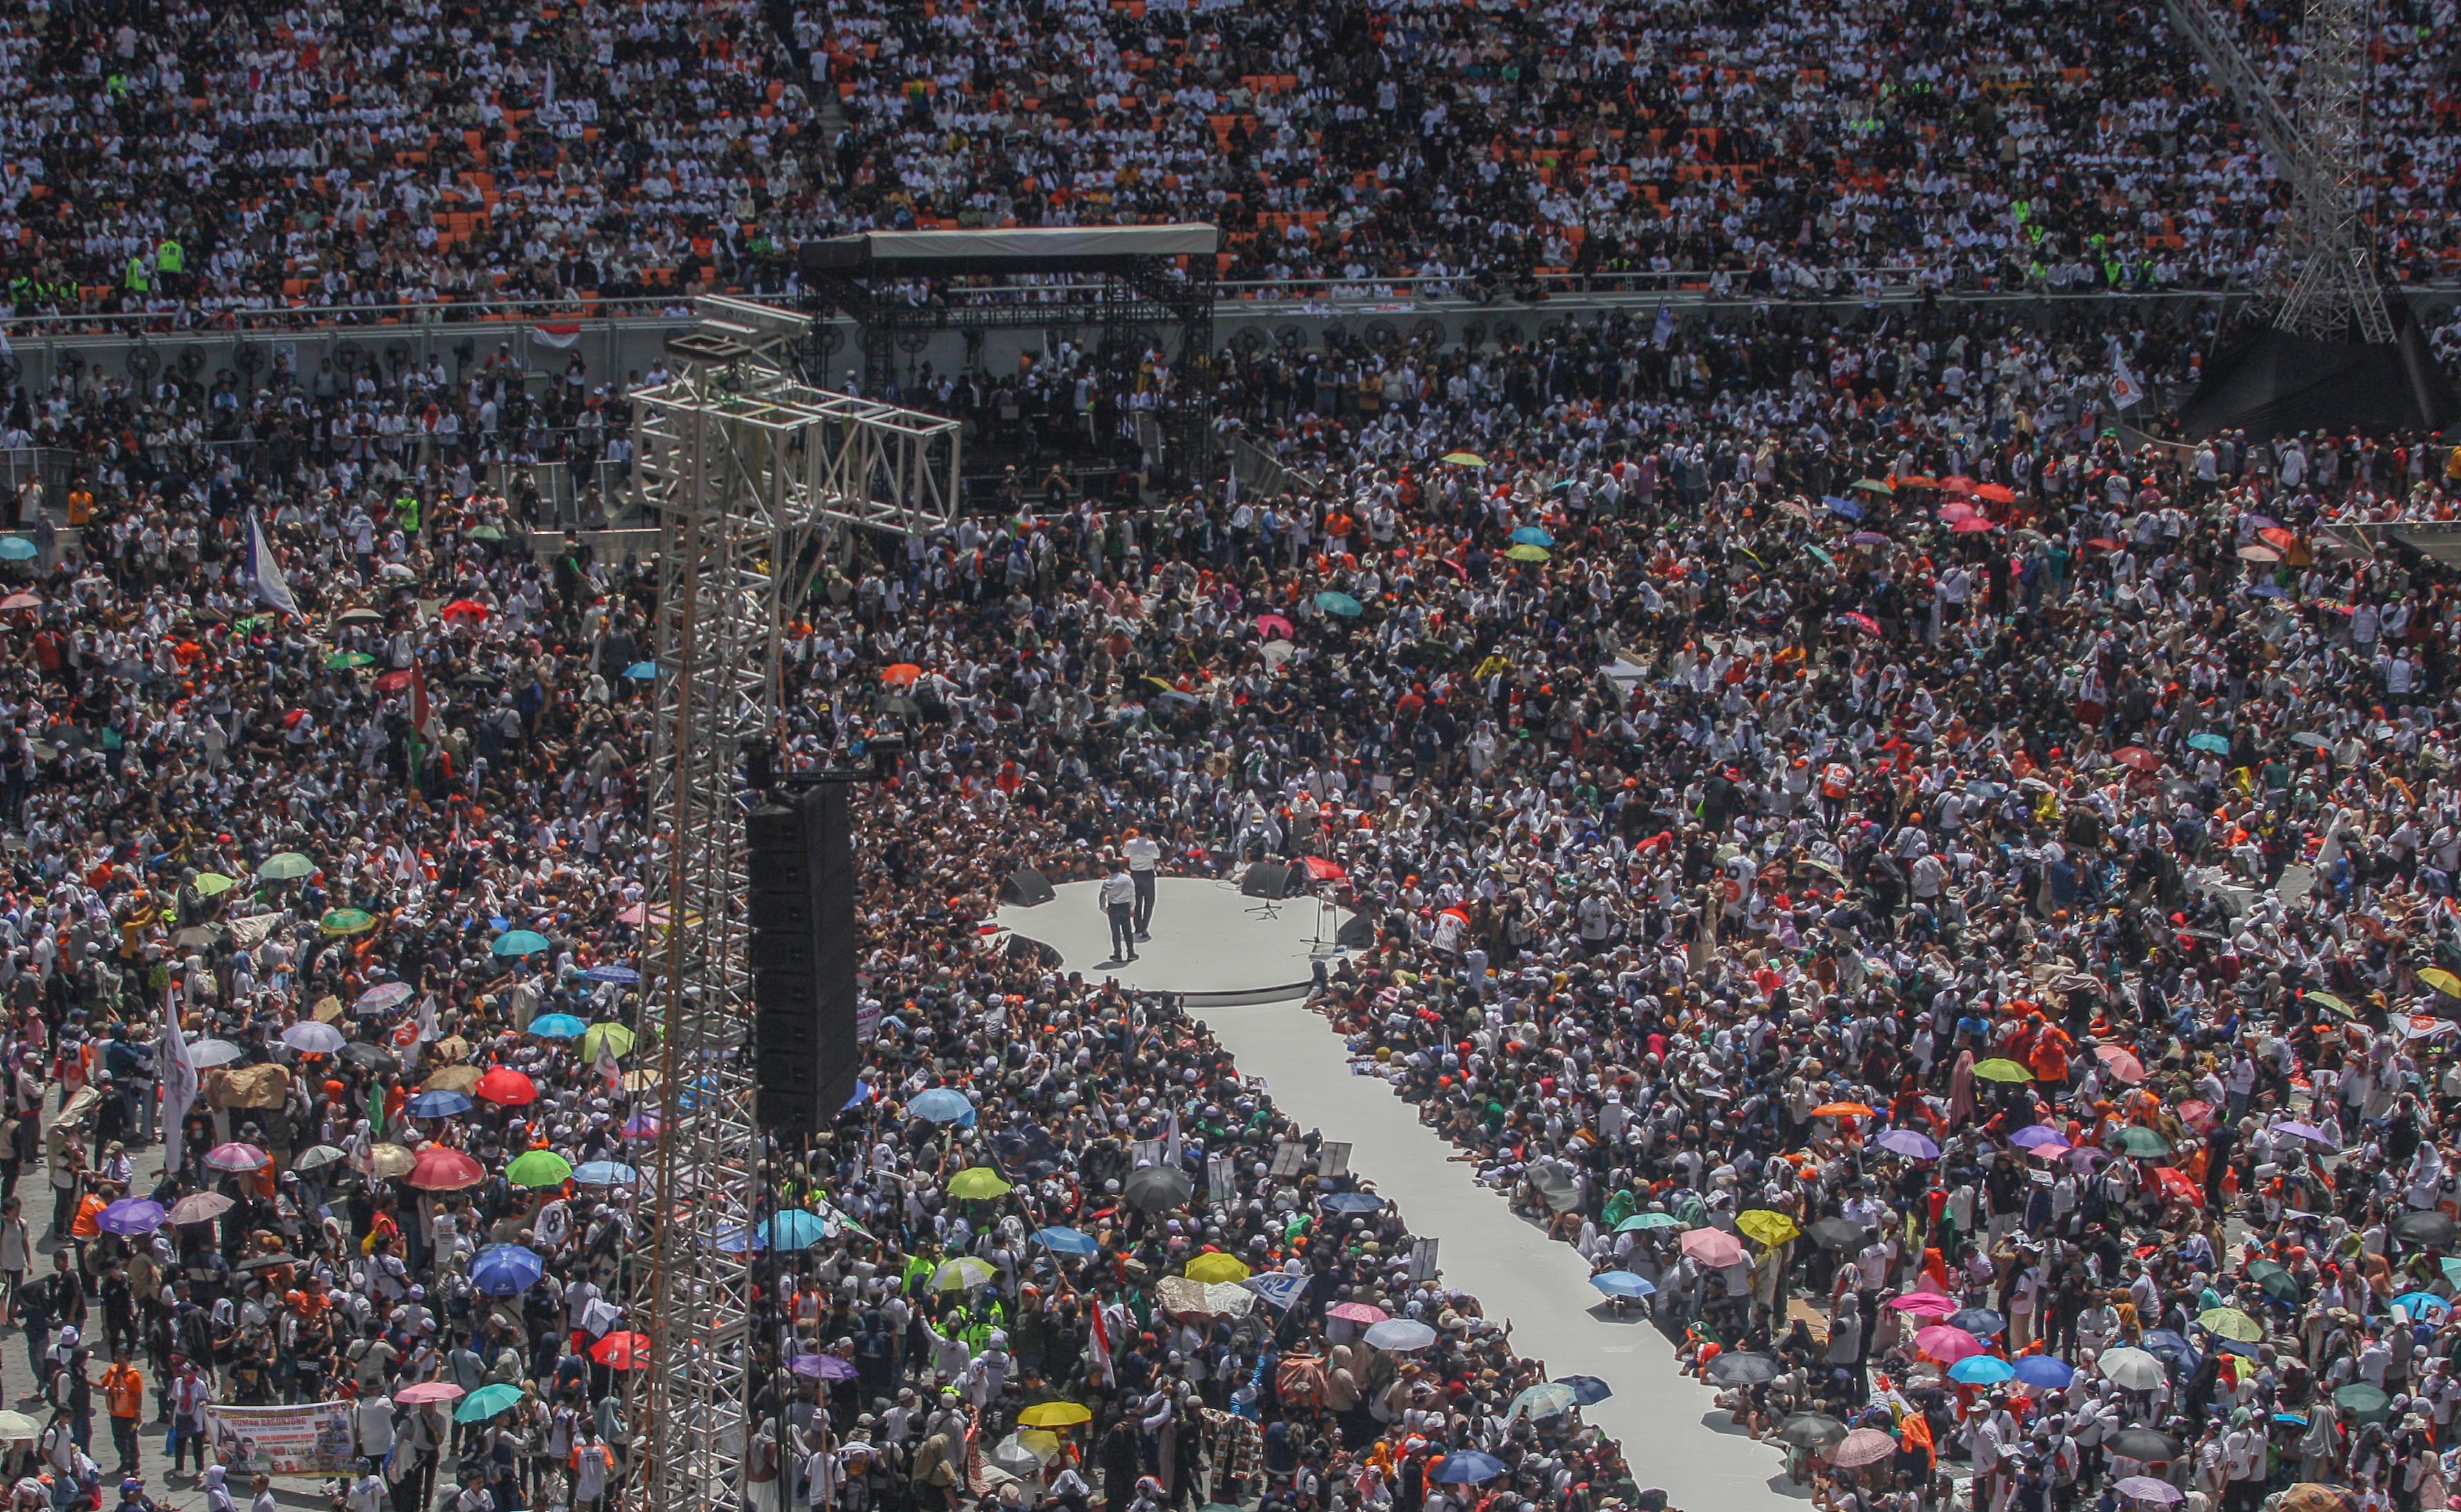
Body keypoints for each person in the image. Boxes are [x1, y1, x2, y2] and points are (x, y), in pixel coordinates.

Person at [97, 1351, 139, 1479]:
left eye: (122, 1357)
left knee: (132, 1441)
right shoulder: (113, 1370)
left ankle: (134, 1467)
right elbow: (104, 1384)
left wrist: (138, 1413)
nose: (119, 1360)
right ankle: (125, 1461)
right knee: (118, 1439)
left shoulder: (135, 1375)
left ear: (128, 1357)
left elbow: (138, 1394)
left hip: (130, 1415)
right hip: (115, 1412)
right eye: (117, 1357)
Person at [1122, 828, 1162, 939]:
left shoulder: (1130, 843)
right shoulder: (1151, 844)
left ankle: (1138, 926)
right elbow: (1157, 856)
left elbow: (1125, 854)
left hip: (1135, 874)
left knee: (1137, 901)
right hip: (1148, 874)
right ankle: (1145, 927)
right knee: (1149, 901)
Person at [1098, 865, 1138, 963]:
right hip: (1125, 906)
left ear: (1108, 870)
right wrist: (1132, 908)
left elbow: (1102, 897)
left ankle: (1117, 954)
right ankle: (1131, 953)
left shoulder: (1108, 882)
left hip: (1113, 907)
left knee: (1115, 932)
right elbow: (1132, 894)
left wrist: (1104, 909)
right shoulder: (1128, 879)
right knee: (1127, 931)